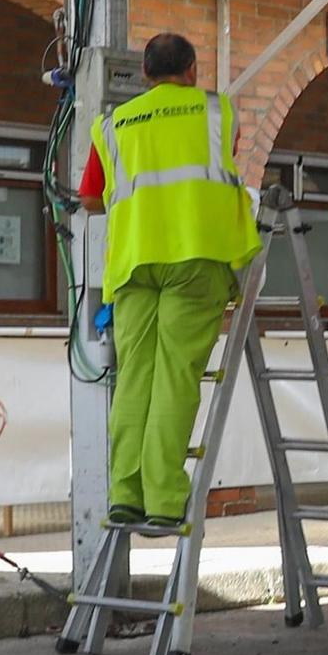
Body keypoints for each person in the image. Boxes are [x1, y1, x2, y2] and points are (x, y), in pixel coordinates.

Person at [77, 33, 259, 530]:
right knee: (176, 376)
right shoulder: (216, 110)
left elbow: (91, 198)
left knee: (135, 376)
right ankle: (162, 499)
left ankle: (124, 493)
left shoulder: (113, 123)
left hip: (134, 262)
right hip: (196, 254)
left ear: (145, 74)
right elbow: (224, 164)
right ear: (193, 69)